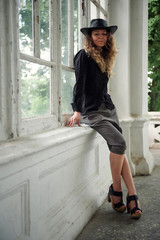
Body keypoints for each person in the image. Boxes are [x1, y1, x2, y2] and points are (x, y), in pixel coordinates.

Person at [67, 19, 142, 219]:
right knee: (120, 142)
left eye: (104, 34)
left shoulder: (105, 55)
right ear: (90, 37)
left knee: (119, 148)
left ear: (108, 37)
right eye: (96, 34)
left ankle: (132, 194)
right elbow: (79, 85)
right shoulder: (83, 55)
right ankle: (117, 192)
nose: (101, 37)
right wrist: (77, 110)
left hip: (108, 108)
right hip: (92, 111)